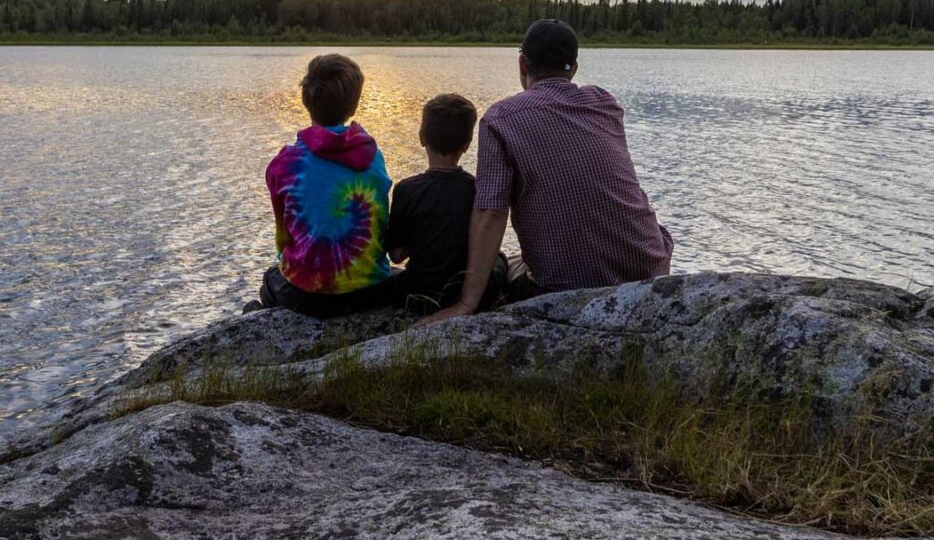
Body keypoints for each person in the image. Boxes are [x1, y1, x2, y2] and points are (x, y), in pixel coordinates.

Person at [417, 18, 674, 327]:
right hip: (648, 269)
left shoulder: (500, 118)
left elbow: (490, 212)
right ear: (574, 68)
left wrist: (467, 303)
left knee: (509, 266)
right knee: (657, 233)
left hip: (567, 287)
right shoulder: (605, 104)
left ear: (523, 63)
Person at [245, 54, 396, 318]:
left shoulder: (284, 164)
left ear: (306, 101)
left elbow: (283, 239)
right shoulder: (374, 156)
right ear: (354, 104)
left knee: (271, 277)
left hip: (307, 294)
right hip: (369, 289)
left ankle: (260, 319)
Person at [385, 94, 506, 314]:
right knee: (500, 259)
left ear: (422, 138)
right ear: (467, 145)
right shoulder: (479, 190)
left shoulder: (406, 189)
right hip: (459, 289)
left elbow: (396, 255)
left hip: (418, 292)